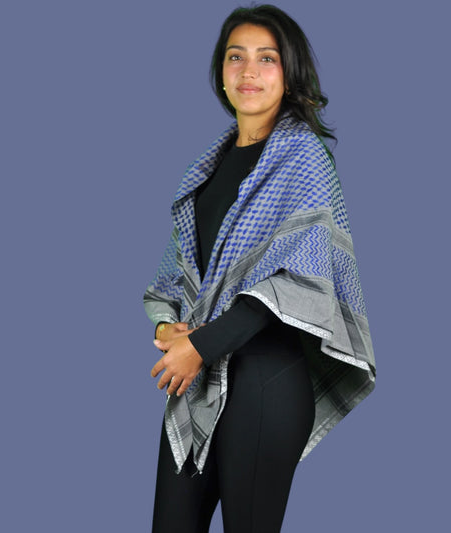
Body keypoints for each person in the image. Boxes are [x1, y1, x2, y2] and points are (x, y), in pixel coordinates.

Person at [143, 4, 376, 532]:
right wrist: (167, 327)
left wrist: (199, 346)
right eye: (236, 57)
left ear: (289, 74)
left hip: (265, 381)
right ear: (221, 73)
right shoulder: (206, 168)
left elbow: (299, 282)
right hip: (197, 381)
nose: (249, 71)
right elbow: (175, 276)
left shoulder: (304, 159)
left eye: (266, 58)